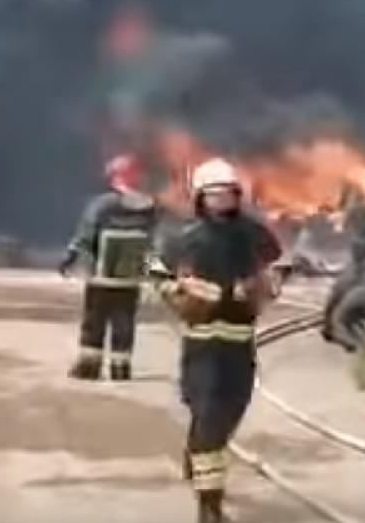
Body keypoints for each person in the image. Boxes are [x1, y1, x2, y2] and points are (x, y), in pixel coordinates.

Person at [158, 157, 282, 523]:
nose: (222, 200)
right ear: (200, 198)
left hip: (239, 343)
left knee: (229, 415)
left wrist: (264, 285)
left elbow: (278, 263)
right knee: (209, 421)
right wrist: (179, 288)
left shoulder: (253, 233)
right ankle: (209, 505)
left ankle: (197, 456)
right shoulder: (184, 235)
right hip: (202, 345)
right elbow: (154, 267)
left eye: (227, 193)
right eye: (214, 195)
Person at [60, 154, 157, 381]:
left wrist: (70, 258)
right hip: (130, 279)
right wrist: (158, 273)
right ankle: (120, 367)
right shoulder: (148, 206)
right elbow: (153, 243)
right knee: (124, 322)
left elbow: (85, 234)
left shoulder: (102, 204)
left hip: (101, 276)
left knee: (95, 320)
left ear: (114, 176)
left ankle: (89, 366)